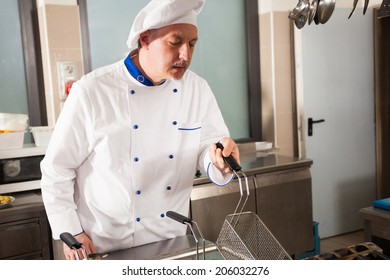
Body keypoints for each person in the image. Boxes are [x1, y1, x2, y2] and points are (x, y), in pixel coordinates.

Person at [40, 0, 240, 260]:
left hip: (172, 243)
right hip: (105, 247)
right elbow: (57, 169)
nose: (186, 56)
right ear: (145, 39)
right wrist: (71, 231)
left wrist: (221, 162)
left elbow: (209, 149)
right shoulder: (92, 91)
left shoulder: (197, 90)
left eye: (192, 44)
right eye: (175, 42)